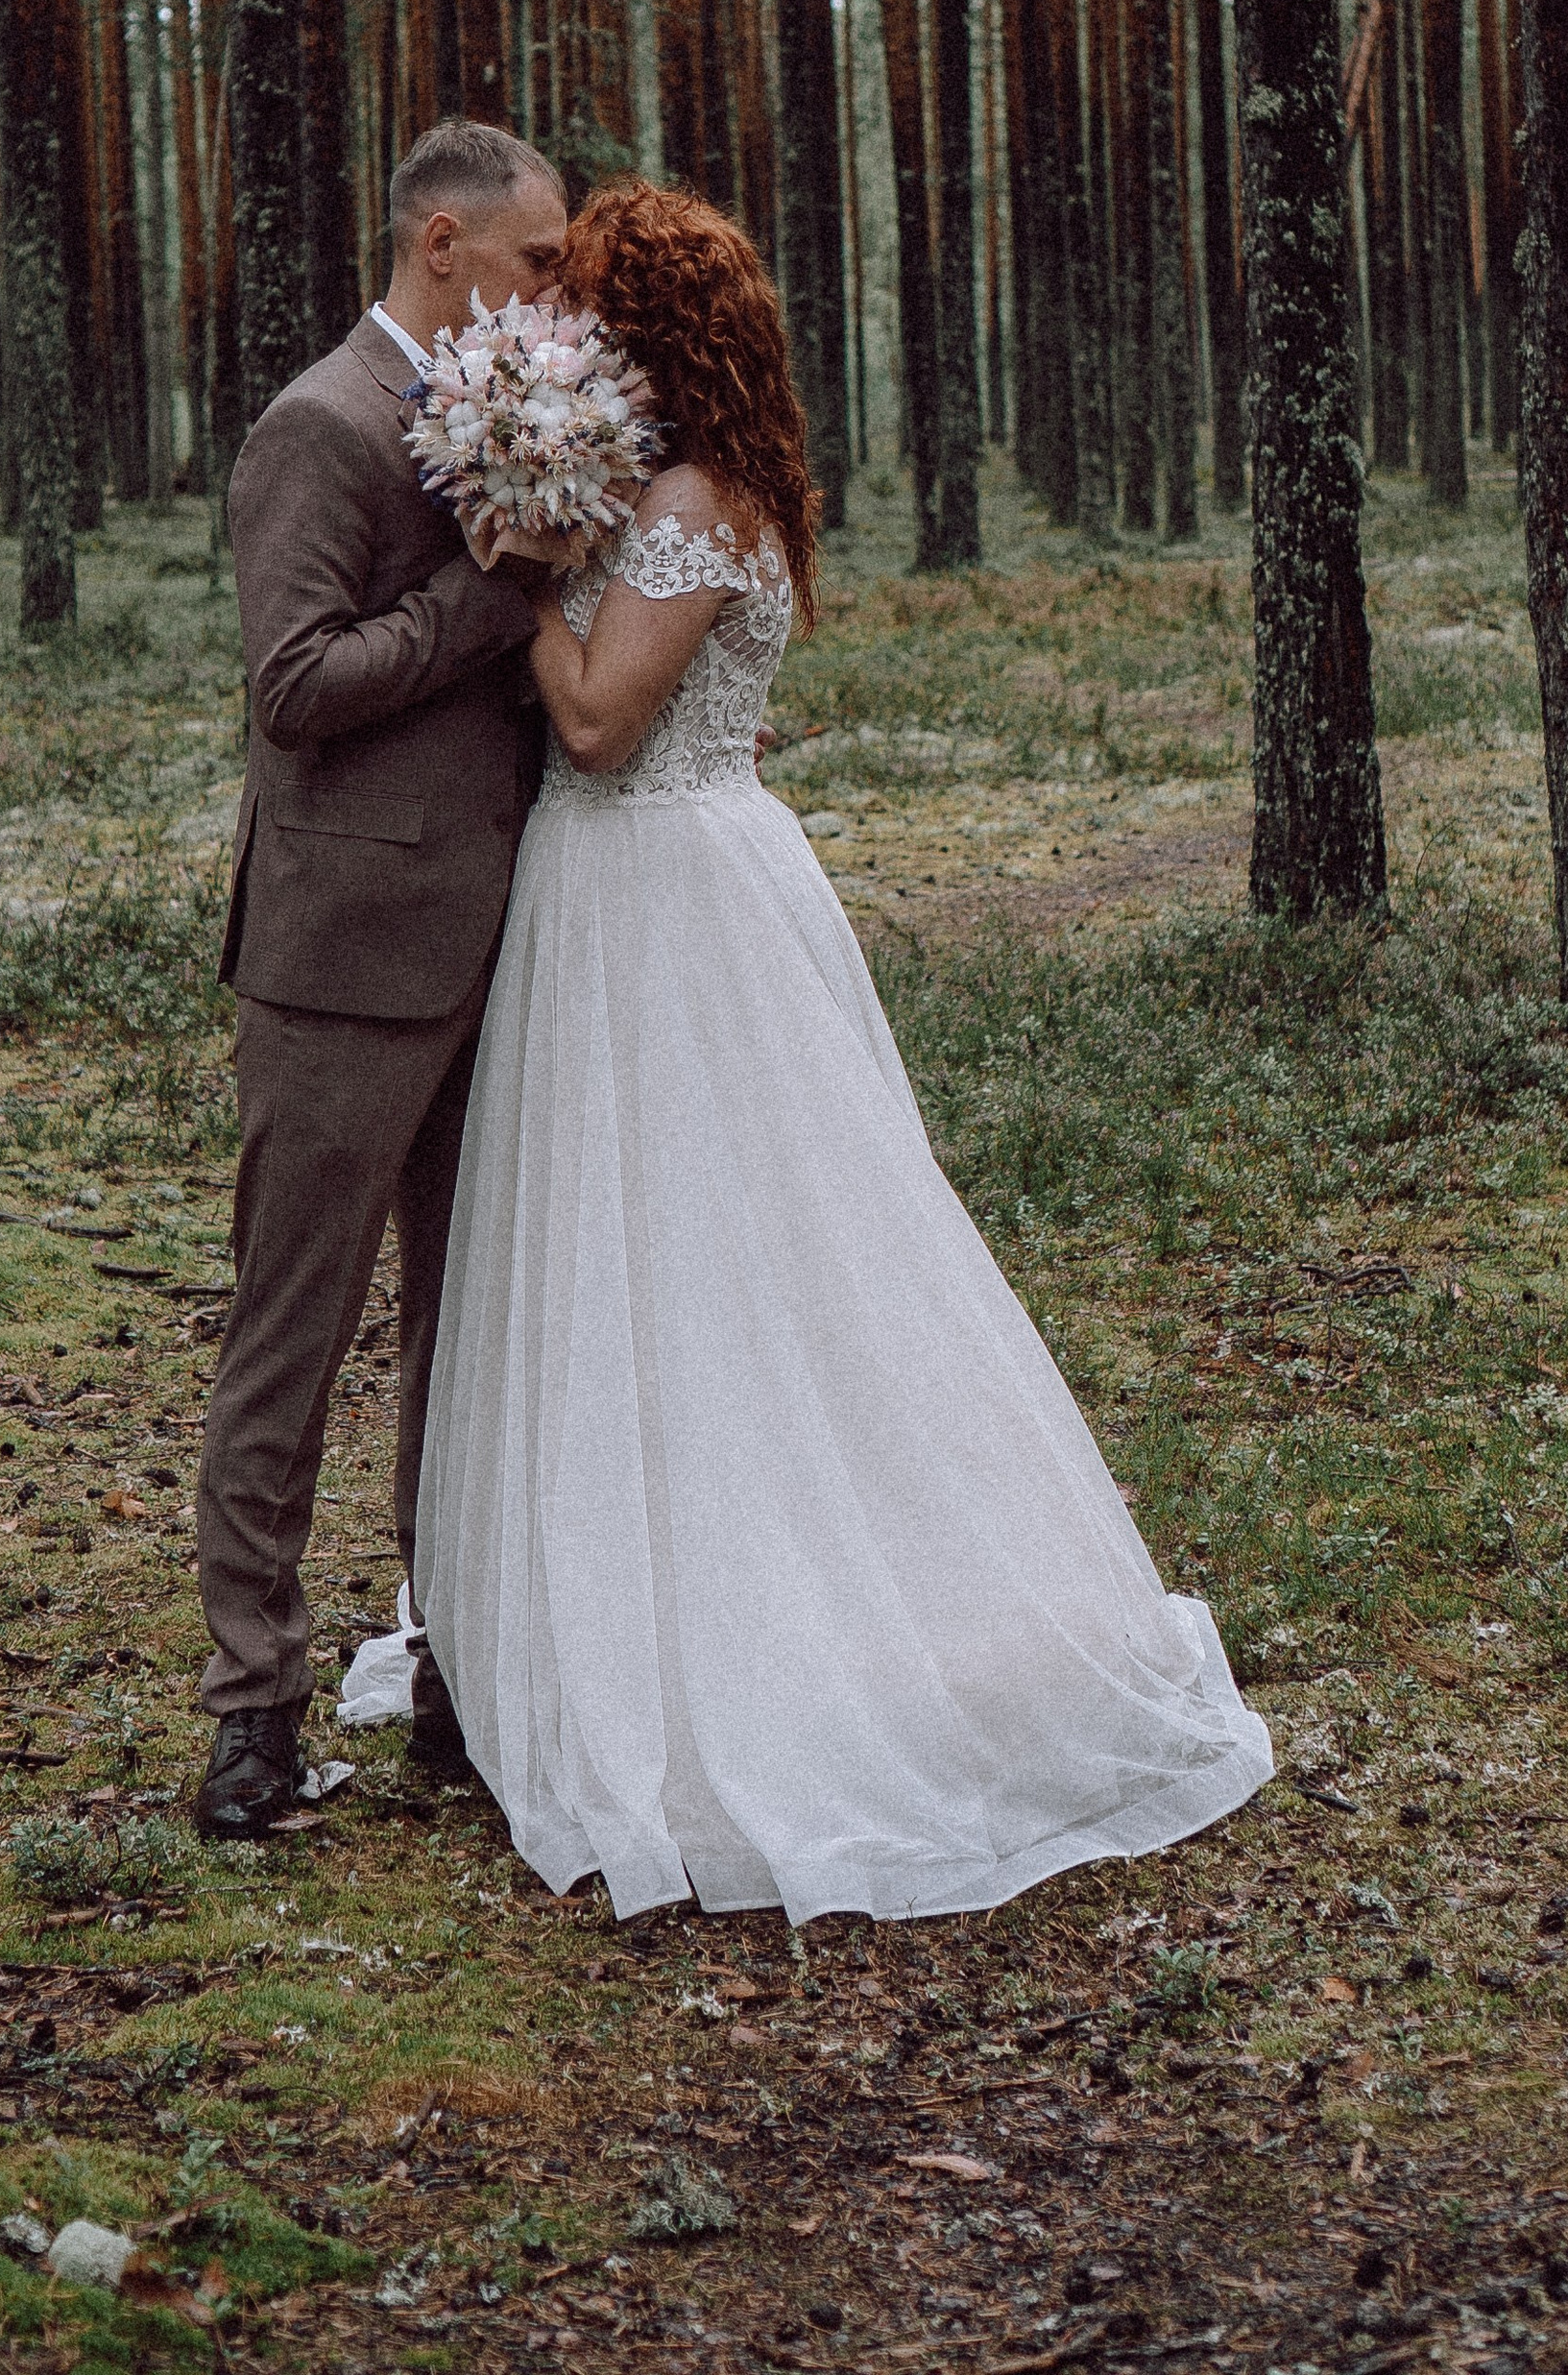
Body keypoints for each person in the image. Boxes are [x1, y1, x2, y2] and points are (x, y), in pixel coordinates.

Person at [415, 179, 1272, 1922]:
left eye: (589, 307)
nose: (566, 330)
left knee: (731, 1255)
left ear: (648, 338)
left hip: (658, 892)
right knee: (648, 1251)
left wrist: (515, 571)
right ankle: (636, 1572)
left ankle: (741, 1631)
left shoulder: (688, 501)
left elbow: (593, 726)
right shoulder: (717, 491)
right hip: (659, 883)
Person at [191, 115, 580, 1838]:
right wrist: (490, 607)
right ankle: (253, 1714)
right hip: (344, 965)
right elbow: (295, 684)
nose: (556, 296)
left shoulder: (505, 415)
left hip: (506, 943)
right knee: (295, 1331)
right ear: (444, 248)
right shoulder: (319, 427)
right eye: (538, 262)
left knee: (465, 1331)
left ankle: (452, 1674)